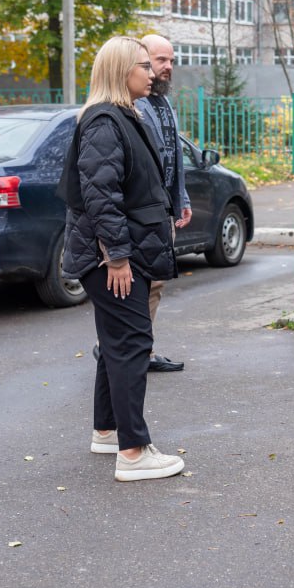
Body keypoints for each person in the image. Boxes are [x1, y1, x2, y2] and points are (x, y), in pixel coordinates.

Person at [60, 36, 184, 481]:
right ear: (120, 71)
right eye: (143, 66)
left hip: (121, 251)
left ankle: (107, 431)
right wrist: (116, 256)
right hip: (113, 257)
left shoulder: (121, 116)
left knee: (116, 344)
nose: (151, 73)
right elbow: (100, 196)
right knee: (133, 344)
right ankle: (133, 452)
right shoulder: (103, 122)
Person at [136, 34, 191, 372]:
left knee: (155, 283)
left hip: (164, 211)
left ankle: (140, 348)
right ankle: (133, 349)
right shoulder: (133, 104)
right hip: (144, 212)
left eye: (171, 60)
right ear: (143, 62)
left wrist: (180, 198)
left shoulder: (164, 102)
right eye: (160, 61)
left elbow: (175, 155)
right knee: (142, 283)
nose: (168, 67)